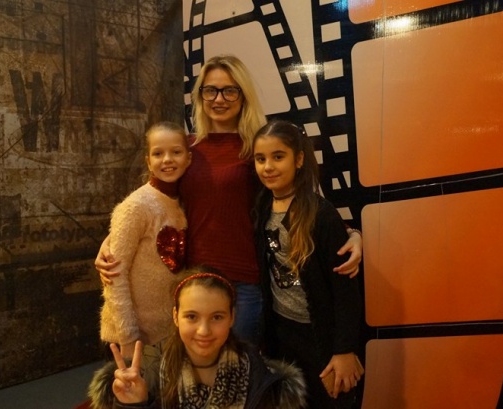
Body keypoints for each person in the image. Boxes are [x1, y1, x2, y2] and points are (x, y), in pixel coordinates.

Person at [95, 54, 363, 345]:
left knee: (239, 366)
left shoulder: (256, 149)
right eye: (210, 90)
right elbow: (157, 200)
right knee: (200, 369)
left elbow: (296, 200)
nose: (219, 99)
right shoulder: (186, 148)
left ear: (243, 94)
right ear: (200, 95)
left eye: (229, 90)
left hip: (244, 283)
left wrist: (350, 233)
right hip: (194, 280)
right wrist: (113, 240)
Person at [252, 120, 364, 408]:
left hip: (320, 336)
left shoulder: (321, 214)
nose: (268, 167)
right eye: (260, 159)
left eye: (278, 157)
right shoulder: (261, 207)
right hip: (281, 334)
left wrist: (345, 349)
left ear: (299, 159)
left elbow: (345, 290)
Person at [88, 269, 308, 409]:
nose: (204, 331)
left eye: (217, 317)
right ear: (176, 316)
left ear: (232, 317)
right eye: (192, 316)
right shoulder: (152, 370)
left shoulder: (254, 371)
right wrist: (135, 404)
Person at [98, 121, 191, 360]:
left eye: (176, 152)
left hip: (169, 331)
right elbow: (115, 276)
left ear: (188, 158)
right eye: (158, 154)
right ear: (148, 161)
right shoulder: (136, 206)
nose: (167, 159)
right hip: (134, 336)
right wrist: (128, 337)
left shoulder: (185, 202)